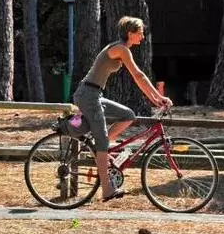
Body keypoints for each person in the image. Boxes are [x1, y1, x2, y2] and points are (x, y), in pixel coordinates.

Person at [74, 16, 172, 202]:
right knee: (102, 142)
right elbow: (138, 75)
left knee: (127, 115)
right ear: (130, 33)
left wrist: (155, 99)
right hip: (87, 95)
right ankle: (107, 190)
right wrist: (158, 98)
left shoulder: (121, 48)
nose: (142, 36)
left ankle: (99, 148)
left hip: (95, 95)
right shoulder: (120, 48)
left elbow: (139, 78)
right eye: (140, 32)